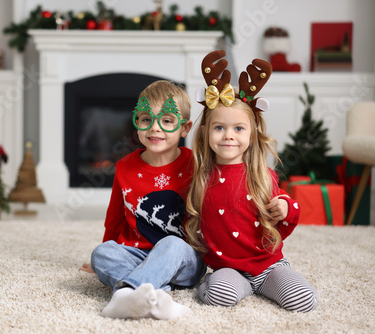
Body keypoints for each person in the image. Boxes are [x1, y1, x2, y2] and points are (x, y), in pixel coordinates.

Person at [185, 50, 318, 313]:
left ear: (252, 133)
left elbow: (284, 214)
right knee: (218, 296)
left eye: (238, 128)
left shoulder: (261, 174)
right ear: (207, 131)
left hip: (268, 265)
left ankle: (270, 285)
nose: (228, 136)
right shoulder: (201, 177)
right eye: (219, 127)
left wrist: (285, 208)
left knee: (304, 301)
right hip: (228, 269)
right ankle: (232, 287)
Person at [79, 80, 207, 320]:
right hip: (136, 254)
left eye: (167, 121)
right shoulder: (125, 167)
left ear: (185, 128)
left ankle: (125, 293)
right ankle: (158, 297)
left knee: (172, 243)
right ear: (137, 124)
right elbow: (115, 219)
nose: (155, 128)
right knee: (102, 253)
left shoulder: (197, 165)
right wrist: (101, 262)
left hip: (182, 259)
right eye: (146, 119)